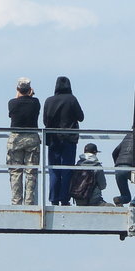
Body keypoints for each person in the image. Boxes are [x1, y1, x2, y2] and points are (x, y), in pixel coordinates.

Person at [43, 76, 84, 205]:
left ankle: (54, 199)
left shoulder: (49, 101)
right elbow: (81, 117)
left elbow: (45, 121)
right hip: (69, 139)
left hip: (53, 139)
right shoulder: (72, 99)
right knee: (67, 169)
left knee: (53, 169)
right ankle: (64, 199)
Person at [6, 78, 41, 205]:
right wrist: (30, 95)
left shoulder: (12, 103)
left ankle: (16, 201)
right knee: (31, 171)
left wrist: (18, 95)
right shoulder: (36, 102)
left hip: (16, 139)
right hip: (32, 138)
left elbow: (11, 112)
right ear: (30, 89)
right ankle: (29, 202)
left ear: (18, 89)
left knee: (15, 171)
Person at [111, 130, 135, 207]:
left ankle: (119, 199)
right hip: (131, 169)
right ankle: (134, 202)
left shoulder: (127, 136)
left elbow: (114, 153)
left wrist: (117, 165)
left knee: (126, 196)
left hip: (119, 169)